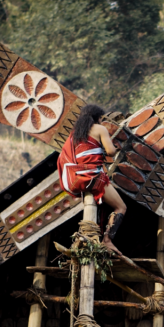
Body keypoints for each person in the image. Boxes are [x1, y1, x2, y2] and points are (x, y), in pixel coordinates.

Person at [56, 104, 127, 254]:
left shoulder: (75, 134)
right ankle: (107, 241)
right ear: (98, 118)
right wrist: (113, 146)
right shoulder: (100, 129)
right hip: (93, 177)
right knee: (121, 207)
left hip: (76, 178)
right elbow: (110, 151)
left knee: (103, 206)